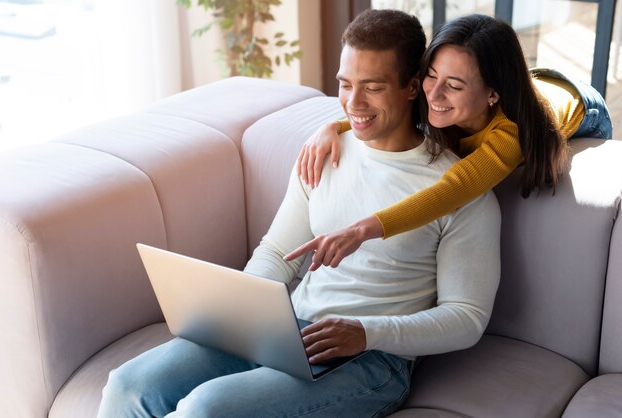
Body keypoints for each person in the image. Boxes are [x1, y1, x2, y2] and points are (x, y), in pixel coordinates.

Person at [97, 9, 501, 418]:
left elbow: (466, 317)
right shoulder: (323, 153)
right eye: (344, 85)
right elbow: (277, 251)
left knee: (208, 409)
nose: (353, 103)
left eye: (373, 88)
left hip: (373, 359)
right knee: (129, 386)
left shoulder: (462, 192)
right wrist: (244, 313)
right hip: (287, 331)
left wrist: (364, 333)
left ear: (412, 86)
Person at [287, 13, 612, 272]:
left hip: (582, 105)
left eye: (453, 85)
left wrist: (360, 230)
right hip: (525, 80)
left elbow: (451, 190)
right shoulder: (433, 92)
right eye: (431, 76)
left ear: (492, 94)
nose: (435, 94)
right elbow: (385, 110)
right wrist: (333, 126)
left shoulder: (510, 133)